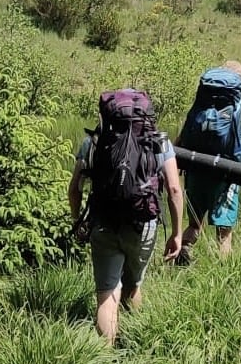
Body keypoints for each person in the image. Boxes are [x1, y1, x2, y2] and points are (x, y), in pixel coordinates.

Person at [69, 89, 185, 345]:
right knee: (133, 285)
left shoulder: (93, 142)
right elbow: (174, 190)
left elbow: (75, 188)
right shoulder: (160, 141)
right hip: (143, 223)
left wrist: (77, 220)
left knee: (106, 294)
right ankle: (135, 343)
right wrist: (177, 233)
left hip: (103, 222)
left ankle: (105, 361)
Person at [177, 60, 241, 261]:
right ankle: (223, 271)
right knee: (224, 231)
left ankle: (182, 254)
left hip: (196, 171)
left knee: (194, 225)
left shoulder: (198, 107)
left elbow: (180, 142)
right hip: (225, 176)